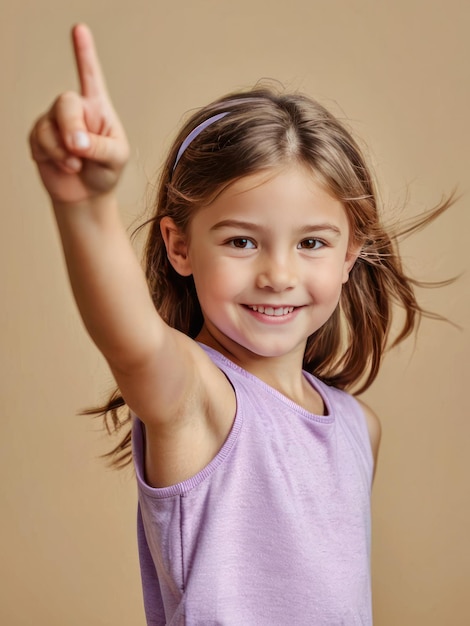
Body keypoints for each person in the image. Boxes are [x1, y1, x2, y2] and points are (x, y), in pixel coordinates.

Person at [29, 23, 453, 626]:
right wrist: (85, 204)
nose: (278, 274)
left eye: (311, 241)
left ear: (350, 252)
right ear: (180, 247)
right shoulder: (196, 397)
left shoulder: (361, 429)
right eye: (241, 241)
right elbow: (133, 343)